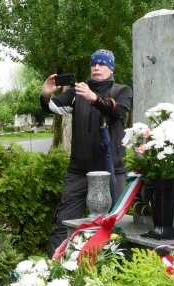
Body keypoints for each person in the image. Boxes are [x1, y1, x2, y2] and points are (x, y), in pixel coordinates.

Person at [41, 49, 133, 257]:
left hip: (112, 171)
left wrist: (94, 98)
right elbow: (53, 107)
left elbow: (117, 111)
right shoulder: (77, 92)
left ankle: (115, 276)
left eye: (102, 64)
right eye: (93, 64)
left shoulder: (122, 90)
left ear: (111, 69)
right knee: (63, 224)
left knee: (117, 229)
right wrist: (46, 94)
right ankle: (53, 270)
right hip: (79, 172)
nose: (96, 68)